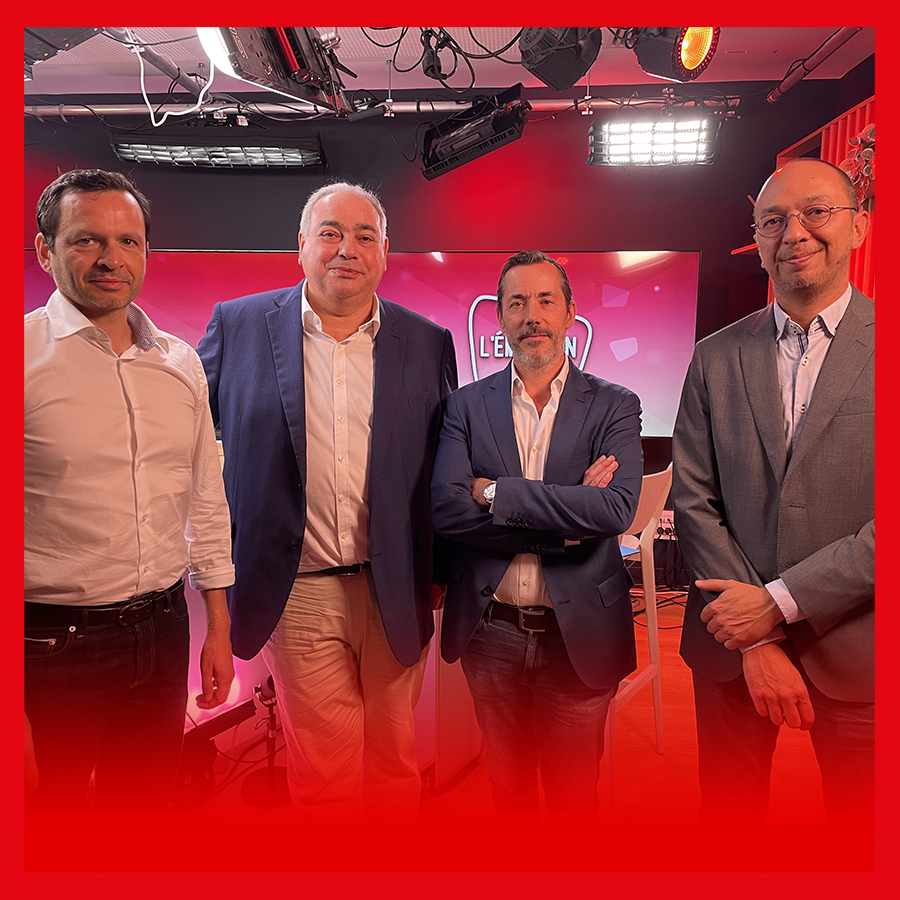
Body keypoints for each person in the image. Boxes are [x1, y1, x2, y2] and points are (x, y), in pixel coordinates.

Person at [198, 182, 457, 825]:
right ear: (302, 245)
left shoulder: (428, 342)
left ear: (385, 252)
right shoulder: (238, 326)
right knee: (323, 776)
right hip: (299, 592)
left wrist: (443, 569)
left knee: (394, 763)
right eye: (331, 233)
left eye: (365, 236)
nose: (348, 249)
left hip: (395, 588)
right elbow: (185, 439)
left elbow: (448, 465)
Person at [24, 169, 235, 825]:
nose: (111, 259)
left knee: (139, 825)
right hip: (49, 648)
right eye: (87, 240)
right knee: (48, 832)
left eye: (128, 241)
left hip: (164, 632)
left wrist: (219, 627)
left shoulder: (180, 361)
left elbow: (206, 500)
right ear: (46, 250)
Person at [672, 158, 873, 826]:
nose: (794, 232)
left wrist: (778, 605)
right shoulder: (714, 356)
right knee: (729, 835)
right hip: (730, 648)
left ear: (858, 227)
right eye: (772, 220)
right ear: (756, 240)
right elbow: (694, 500)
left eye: (816, 211)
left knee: (863, 841)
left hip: (860, 650)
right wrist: (754, 639)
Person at [431, 250, 644, 822]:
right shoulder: (464, 406)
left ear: (570, 313)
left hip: (578, 637)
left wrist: (494, 493)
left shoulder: (615, 404)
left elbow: (615, 509)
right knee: (509, 791)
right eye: (517, 302)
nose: (533, 315)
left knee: (574, 802)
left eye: (546, 300)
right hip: (490, 633)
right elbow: (446, 511)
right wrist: (569, 518)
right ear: (499, 317)